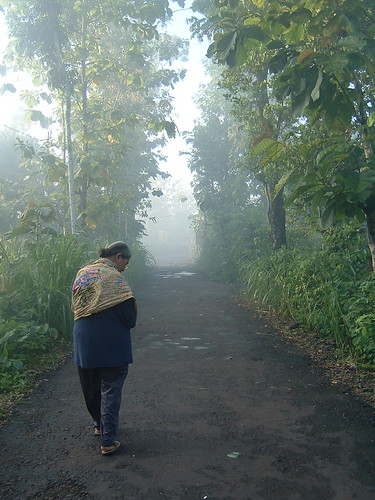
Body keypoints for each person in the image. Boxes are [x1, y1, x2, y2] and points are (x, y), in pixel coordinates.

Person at [72, 241, 137, 455]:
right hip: (111, 343)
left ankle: (100, 425)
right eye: (125, 262)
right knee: (110, 388)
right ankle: (108, 441)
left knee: (90, 385)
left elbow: (78, 306)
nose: (124, 267)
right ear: (118, 256)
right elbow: (129, 318)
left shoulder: (83, 273)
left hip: (84, 339)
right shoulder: (115, 278)